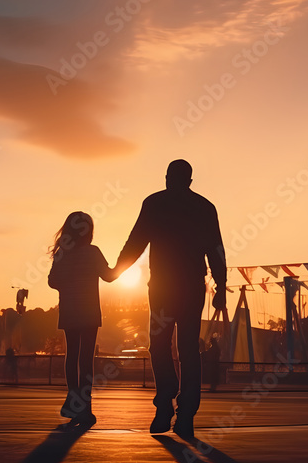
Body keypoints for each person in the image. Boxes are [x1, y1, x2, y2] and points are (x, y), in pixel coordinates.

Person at [115, 159, 226, 438]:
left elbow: (136, 241)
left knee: (159, 345)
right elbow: (216, 251)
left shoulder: (154, 203)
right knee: (189, 349)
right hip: (191, 286)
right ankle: (186, 413)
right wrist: (221, 286)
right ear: (190, 181)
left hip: (163, 287)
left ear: (167, 178)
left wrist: (116, 270)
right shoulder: (204, 207)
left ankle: (164, 401)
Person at [47, 211, 118, 428]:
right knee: (86, 359)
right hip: (88, 310)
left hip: (69, 309)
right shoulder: (93, 253)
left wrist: (67, 285)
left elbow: (52, 281)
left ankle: (72, 397)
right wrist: (124, 264)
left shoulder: (63, 254)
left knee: (72, 355)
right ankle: (84, 407)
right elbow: (109, 276)